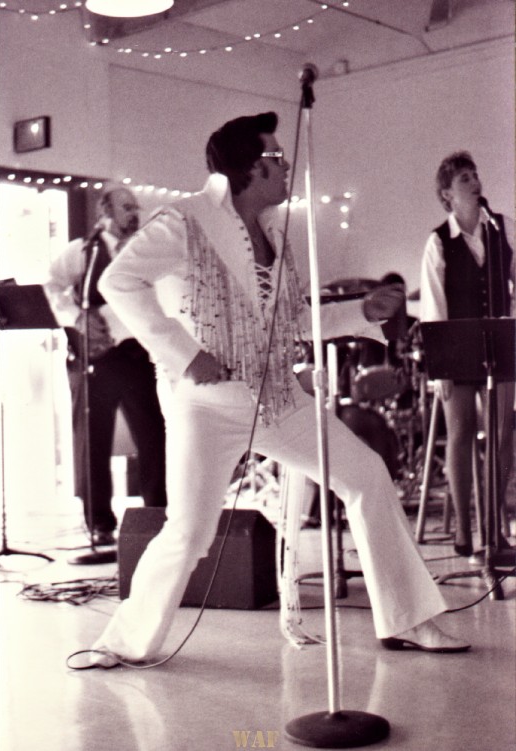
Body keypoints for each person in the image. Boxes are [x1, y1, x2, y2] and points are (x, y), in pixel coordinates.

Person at [86, 113, 469, 667]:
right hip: (206, 408)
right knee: (189, 533)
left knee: (366, 475)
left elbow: (293, 318)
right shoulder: (183, 221)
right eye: (278, 159)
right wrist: (184, 354)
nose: (287, 167)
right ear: (250, 168)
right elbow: (116, 281)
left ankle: (408, 618)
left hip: (281, 402)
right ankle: (122, 643)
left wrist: (362, 310)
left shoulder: (273, 233)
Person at [44, 187, 167, 545]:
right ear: (105, 212)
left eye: (135, 208)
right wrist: (76, 318)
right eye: (127, 207)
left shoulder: (145, 249)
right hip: (95, 359)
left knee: (153, 435)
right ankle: (99, 522)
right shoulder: (81, 251)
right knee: (92, 440)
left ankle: (156, 513)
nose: (134, 213)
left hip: (137, 357)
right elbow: (53, 285)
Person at [420, 151, 515, 557]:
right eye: (463, 179)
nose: (474, 182)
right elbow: (433, 303)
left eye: (474, 174)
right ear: (447, 195)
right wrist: (439, 368)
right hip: (457, 348)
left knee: (501, 434)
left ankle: (494, 529)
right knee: (459, 435)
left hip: (502, 344)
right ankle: (462, 528)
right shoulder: (438, 241)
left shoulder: (504, 228)